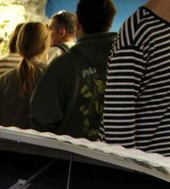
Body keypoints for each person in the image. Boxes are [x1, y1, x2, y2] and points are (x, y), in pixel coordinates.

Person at [102, 0, 170, 157]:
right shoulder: (140, 32)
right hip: (136, 175)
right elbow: (117, 126)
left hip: (153, 171)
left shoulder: (167, 32)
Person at [30, 0, 118, 140]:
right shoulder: (125, 62)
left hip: (68, 157)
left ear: (78, 20)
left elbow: (42, 120)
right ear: (110, 21)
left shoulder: (62, 66)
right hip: (116, 157)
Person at [0, 22, 50, 129]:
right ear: (45, 45)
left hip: (8, 143)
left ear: (18, 44)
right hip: (40, 144)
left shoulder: (4, 80)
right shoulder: (51, 77)